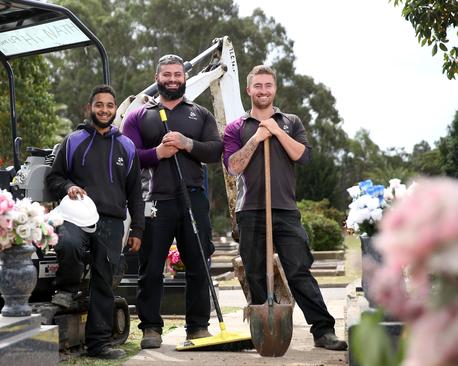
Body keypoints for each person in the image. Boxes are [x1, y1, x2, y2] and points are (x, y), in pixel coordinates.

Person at [223, 65, 348, 351]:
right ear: (249, 90)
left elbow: (302, 156)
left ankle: (323, 331)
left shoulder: (291, 121)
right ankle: (263, 333)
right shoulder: (236, 128)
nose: (263, 90)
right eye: (258, 86)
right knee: (255, 273)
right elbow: (233, 168)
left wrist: (277, 131)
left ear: (275, 89)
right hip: (251, 211)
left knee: (299, 271)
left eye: (268, 85)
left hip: (286, 210)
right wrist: (257, 138)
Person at [121, 54, 223, 349]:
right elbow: (127, 157)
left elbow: (215, 151)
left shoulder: (199, 114)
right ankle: (151, 328)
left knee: (198, 264)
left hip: (193, 198)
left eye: (178, 74)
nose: (173, 79)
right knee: (151, 267)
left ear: (185, 78)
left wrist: (187, 144)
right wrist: (158, 154)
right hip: (155, 201)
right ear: (157, 78)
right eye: (167, 75)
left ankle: (198, 327)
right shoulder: (139, 115)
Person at [46, 84, 144, 359]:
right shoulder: (73, 141)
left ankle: (99, 344)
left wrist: (137, 228)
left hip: (111, 221)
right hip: (75, 216)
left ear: (115, 109)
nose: (104, 109)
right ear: (90, 108)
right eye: (99, 104)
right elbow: (54, 178)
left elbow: (136, 192)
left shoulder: (127, 146)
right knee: (69, 245)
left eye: (109, 105)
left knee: (104, 279)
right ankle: (66, 289)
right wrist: (68, 187)